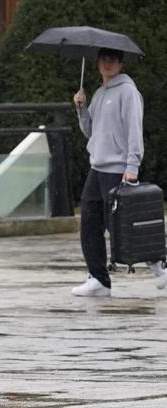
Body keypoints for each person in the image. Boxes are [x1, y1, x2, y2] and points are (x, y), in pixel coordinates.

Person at [71, 47, 167, 297]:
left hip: (118, 169)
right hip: (97, 167)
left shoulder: (128, 92)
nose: (108, 63)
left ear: (121, 63)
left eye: (113, 59)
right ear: (98, 63)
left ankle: (161, 268)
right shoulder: (100, 94)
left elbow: (134, 130)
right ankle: (99, 279)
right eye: (104, 59)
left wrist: (132, 166)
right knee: (90, 224)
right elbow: (91, 132)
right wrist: (81, 109)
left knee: (124, 227)